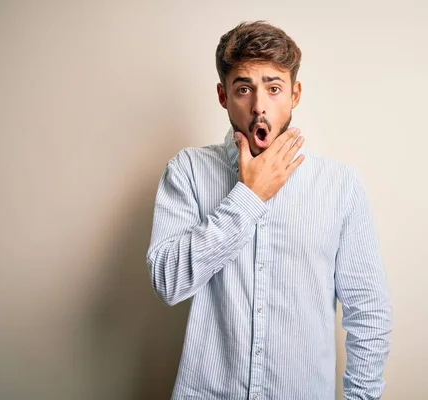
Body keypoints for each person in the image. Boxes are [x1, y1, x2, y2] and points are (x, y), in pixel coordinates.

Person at [146, 20, 393, 400]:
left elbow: (369, 312)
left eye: (273, 88)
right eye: (244, 88)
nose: (259, 106)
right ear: (223, 96)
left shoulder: (340, 186)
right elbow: (168, 283)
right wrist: (249, 197)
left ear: (295, 94)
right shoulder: (188, 171)